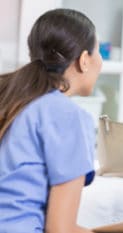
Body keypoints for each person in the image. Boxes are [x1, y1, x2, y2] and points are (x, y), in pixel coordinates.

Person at [0, 8, 102, 233]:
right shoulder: (67, 116)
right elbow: (60, 229)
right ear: (84, 60)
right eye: (98, 51)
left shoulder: (11, 99)